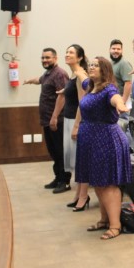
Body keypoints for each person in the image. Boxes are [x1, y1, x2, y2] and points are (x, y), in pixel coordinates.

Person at [76, 57, 132, 240]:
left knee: (108, 184)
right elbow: (82, 76)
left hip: (106, 140)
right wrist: (76, 67)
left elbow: (115, 99)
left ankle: (115, 225)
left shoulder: (109, 89)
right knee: (98, 182)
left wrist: (121, 105)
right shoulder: (90, 86)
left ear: (104, 70)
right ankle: (104, 219)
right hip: (91, 140)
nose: (91, 67)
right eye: (90, 65)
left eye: (96, 65)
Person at [23, 48, 70, 193]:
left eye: (48, 58)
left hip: (57, 121)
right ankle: (58, 178)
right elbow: (40, 80)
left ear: (55, 58)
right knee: (53, 151)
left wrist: (54, 117)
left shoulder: (60, 74)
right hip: (47, 121)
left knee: (61, 152)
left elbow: (62, 96)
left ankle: (64, 181)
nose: (45, 60)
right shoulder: (48, 74)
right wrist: (29, 81)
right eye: (43, 58)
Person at [53, 44, 89, 210]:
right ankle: (78, 195)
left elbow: (83, 103)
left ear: (79, 57)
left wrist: (76, 126)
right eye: (66, 52)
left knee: (80, 162)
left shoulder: (81, 75)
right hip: (68, 119)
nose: (67, 54)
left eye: (71, 52)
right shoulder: (73, 75)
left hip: (77, 121)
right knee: (75, 162)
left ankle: (83, 196)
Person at [109, 39, 134, 138]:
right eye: (113, 48)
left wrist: (122, 102)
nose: (116, 51)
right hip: (115, 101)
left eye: (118, 49)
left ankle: (129, 146)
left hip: (122, 101)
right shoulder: (112, 63)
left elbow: (128, 84)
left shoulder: (124, 63)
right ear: (109, 50)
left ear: (122, 50)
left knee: (123, 127)